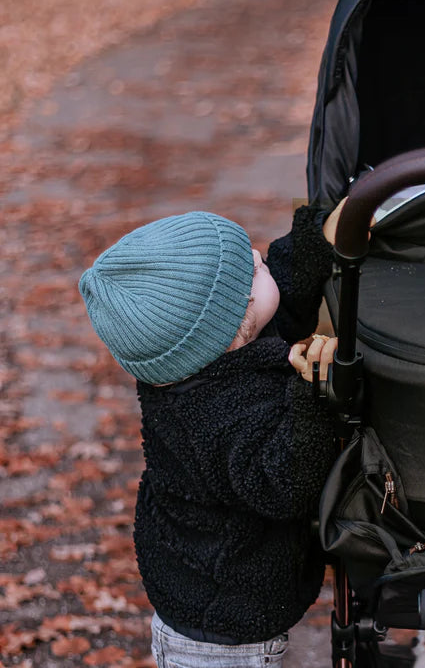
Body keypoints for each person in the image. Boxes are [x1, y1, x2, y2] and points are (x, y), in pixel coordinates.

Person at [78, 202, 345, 667]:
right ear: (230, 326)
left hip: (216, 591)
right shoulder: (212, 419)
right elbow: (283, 483)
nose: (262, 258)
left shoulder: (211, 351)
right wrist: (313, 396)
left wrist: (317, 236)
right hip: (219, 631)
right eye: (251, 269)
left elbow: (281, 288)